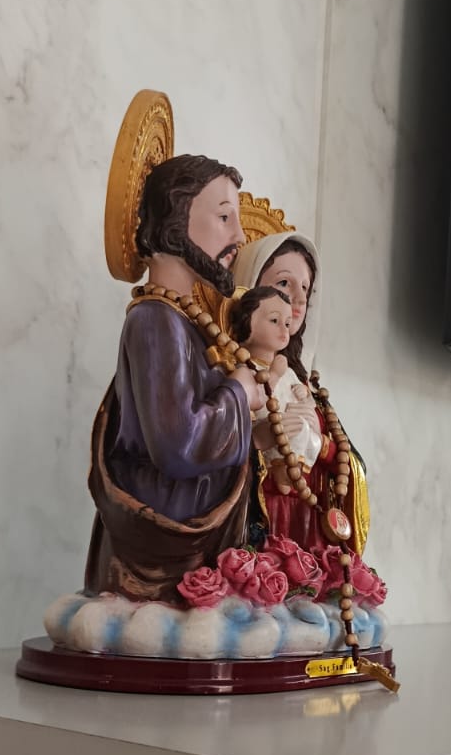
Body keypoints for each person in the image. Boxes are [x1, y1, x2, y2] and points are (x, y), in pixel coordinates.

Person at [85, 154, 262, 600]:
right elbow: (179, 443)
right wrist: (238, 393)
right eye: (224, 217)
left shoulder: (183, 319)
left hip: (190, 545)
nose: (239, 236)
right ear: (176, 219)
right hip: (161, 557)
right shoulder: (155, 321)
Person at [230, 232, 369, 553]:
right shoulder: (232, 375)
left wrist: (320, 444)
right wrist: (257, 440)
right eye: (283, 284)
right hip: (257, 522)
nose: (298, 299)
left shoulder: (306, 387)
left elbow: (347, 464)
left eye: (305, 288)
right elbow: (208, 451)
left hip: (306, 526)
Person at [228, 285, 323, 492]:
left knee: (304, 430)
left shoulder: (288, 370)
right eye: (274, 321)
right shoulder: (244, 369)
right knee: (292, 428)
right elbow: (251, 400)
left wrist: (305, 396)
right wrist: (274, 374)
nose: (284, 330)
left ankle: (294, 471)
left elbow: (305, 399)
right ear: (248, 323)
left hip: (293, 429)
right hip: (267, 435)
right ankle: (281, 472)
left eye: (287, 323)